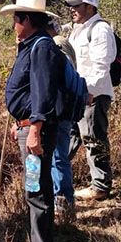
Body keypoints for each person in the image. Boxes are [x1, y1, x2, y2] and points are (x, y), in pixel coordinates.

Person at [1, 0, 65, 242]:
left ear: (26, 19)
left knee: (36, 190)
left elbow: (42, 91)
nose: (13, 23)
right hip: (28, 127)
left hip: (35, 130)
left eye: (16, 18)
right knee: (35, 186)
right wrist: (22, 125)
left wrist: (35, 128)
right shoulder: (31, 46)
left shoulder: (41, 47)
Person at [66, 0, 116, 201]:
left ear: (91, 7)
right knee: (69, 137)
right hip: (77, 94)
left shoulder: (100, 29)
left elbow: (101, 66)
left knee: (94, 140)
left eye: (78, 6)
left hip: (93, 96)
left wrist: (90, 93)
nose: (73, 9)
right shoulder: (76, 31)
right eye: (73, 5)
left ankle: (100, 187)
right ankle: (53, 178)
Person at [46, 18, 76, 217]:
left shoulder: (57, 43)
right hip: (59, 109)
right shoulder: (58, 42)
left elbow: (56, 79)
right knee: (56, 158)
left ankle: (63, 204)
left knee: (58, 158)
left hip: (58, 111)